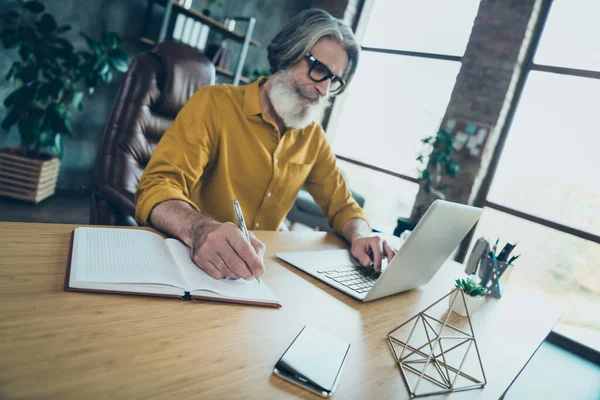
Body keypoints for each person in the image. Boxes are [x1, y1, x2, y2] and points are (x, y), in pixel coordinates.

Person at [135, 9, 396, 282]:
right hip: (190, 264)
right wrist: (199, 229)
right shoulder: (214, 103)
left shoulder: (313, 138)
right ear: (288, 54)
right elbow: (157, 186)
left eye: (334, 80)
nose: (323, 89)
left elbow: (344, 206)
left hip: (253, 278)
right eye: (319, 69)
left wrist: (361, 234)